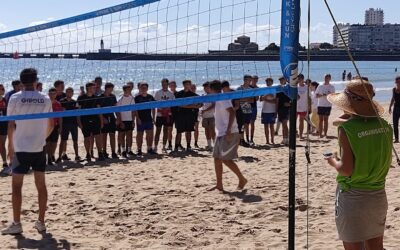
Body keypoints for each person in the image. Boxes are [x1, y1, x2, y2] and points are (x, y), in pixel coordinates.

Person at [325, 78, 391, 249]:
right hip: (378, 196)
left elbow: (346, 170)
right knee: (375, 247)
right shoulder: (385, 126)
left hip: (353, 197)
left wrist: (332, 161)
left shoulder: (347, 129)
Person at [2, 68, 53, 235]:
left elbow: (11, 124)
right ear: (36, 80)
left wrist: (10, 147)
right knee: (41, 185)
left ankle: (17, 223)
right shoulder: (45, 98)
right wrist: (41, 138)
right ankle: (41, 222)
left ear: (22, 82)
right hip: (39, 147)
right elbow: (51, 124)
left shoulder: (15, 97)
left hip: (21, 148)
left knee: (17, 186)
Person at [209, 80, 247, 192]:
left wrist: (229, 129)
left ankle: (242, 179)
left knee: (226, 159)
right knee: (217, 159)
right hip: (221, 132)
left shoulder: (223, 98)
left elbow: (232, 112)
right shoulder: (218, 98)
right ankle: (219, 185)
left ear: (211, 89)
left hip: (229, 132)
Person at [77, 82, 104, 162]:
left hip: (95, 120)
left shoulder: (96, 98)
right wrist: (79, 123)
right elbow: (78, 111)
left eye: (94, 87)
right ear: (88, 88)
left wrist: (101, 121)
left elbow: (99, 111)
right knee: (87, 138)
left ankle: (100, 153)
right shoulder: (81, 98)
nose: (94, 89)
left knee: (98, 137)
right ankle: (88, 154)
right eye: (93, 87)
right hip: (85, 121)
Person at [174, 80, 201, 151]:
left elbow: (201, 103)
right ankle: (176, 146)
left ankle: (188, 146)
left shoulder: (193, 94)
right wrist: (192, 106)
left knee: (189, 131)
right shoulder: (179, 94)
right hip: (180, 115)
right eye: (187, 84)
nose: (188, 85)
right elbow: (179, 105)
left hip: (190, 115)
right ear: (184, 85)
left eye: (189, 84)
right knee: (179, 131)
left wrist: (196, 106)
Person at [58, 87, 80, 162]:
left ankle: (77, 155)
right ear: (66, 93)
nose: (69, 93)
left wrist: (79, 124)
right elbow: (60, 115)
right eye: (68, 92)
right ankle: (60, 156)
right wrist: (60, 126)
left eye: (71, 92)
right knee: (63, 140)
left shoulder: (75, 101)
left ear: (73, 93)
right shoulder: (61, 101)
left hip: (73, 124)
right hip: (65, 124)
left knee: (75, 141)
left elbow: (77, 114)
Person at [134, 82, 156, 155]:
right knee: (140, 135)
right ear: (140, 88)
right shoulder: (137, 98)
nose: (144, 89)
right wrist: (137, 118)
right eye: (142, 88)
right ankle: (139, 149)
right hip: (141, 119)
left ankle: (149, 148)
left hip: (148, 118)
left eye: (145, 88)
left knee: (150, 134)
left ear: (147, 88)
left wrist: (153, 117)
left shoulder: (150, 97)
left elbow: (153, 108)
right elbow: (135, 109)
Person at [154, 78, 175, 152]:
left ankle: (163, 147)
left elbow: (172, 105)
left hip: (167, 115)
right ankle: (155, 147)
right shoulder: (158, 93)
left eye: (165, 84)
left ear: (167, 84)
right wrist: (161, 110)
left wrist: (166, 110)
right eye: (162, 84)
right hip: (159, 114)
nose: (164, 85)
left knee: (166, 131)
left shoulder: (171, 94)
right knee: (158, 131)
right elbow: (155, 104)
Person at [116, 84, 136, 158]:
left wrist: (133, 120)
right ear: (124, 90)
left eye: (130, 89)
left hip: (129, 119)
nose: (129, 90)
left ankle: (129, 150)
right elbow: (117, 111)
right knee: (122, 135)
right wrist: (120, 121)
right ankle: (123, 150)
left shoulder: (132, 98)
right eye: (128, 89)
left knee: (129, 135)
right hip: (123, 119)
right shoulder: (120, 98)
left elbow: (133, 110)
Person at [46, 88, 63, 166]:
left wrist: (60, 126)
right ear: (48, 94)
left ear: (56, 94)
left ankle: (50, 157)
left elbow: (60, 117)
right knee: (47, 143)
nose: (52, 95)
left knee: (54, 143)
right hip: (47, 126)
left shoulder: (58, 104)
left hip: (55, 126)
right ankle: (47, 158)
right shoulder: (45, 103)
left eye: (54, 93)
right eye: (51, 93)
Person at [100, 83, 118, 158]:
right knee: (104, 135)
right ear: (106, 88)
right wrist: (102, 119)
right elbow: (99, 110)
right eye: (110, 89)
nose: (111, 90)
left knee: (112, 135)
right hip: (104, 117)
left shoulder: (113, 96)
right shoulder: (100, 97)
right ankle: (104, 152)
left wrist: (118, 118)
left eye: (112, 89)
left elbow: (116, 107)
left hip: (111, 116)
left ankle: (113, 152)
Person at [316, 74, 335, 138]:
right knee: (320, 120)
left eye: (327, 78)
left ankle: (325, 134)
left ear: (330, 79)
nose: (326, 79)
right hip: (320, 104)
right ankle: (320, 134)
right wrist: (321, 95)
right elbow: (316, 95)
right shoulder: (320, 86)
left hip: (328, 105)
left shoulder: (331, 87)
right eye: (325, 78)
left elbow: (333, 96)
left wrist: (328, 95)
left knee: (326, 120)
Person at [237, 75, 254, 145]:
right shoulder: (239, 88)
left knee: (246, 125)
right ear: (245, 80)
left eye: (250, 80)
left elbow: (252, 100)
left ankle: (246, 139)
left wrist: (244, 99)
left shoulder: (251, 89)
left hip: (248, 109)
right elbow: (238, 99)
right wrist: (247, 99)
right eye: (249, 80)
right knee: (241, 126)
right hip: (241, 110)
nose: (250, 81)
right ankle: (241, 139)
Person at [260, 78, 276, 144]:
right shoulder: (264, 89)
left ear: (272, 82)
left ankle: (272, 140)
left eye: (269, 82)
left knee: (272, 126)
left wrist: (265, 99)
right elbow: (260, 99)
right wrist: (267, 95)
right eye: (267, 82)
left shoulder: (274, 90)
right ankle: (267, 141)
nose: (268, 83)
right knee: (266, 126)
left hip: (272, 110)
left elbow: (274, 101)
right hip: (264, 110)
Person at [201, 82, 216, 151]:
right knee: (206, 130)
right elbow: (201, 105)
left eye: (206, 87)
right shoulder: (203, 95)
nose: (205, 89)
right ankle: (209, 145)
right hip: (204, 116)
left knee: (212, 130)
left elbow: (213, 105)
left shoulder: (213, 95)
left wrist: (205, 110)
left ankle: (215, 144)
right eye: (204, 88)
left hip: (212, 115)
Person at [276, 77, 290, 145]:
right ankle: (284, 139)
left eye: (282, 80)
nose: (281, 81)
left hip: (286, 109)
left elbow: (294, 98)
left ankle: (286, 139)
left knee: (285, 124)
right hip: (280, 108)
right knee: (283, 124)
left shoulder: (288, 88)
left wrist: (290, 104)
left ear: (285, 80)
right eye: (280, 80)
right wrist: (276, 110)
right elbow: (277, 100)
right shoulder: (279, 89)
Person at [388, 76, 400, 143]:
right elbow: (393, 99)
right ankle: (396, 139)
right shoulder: (394, 89)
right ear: (395, 82)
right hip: (396, 108)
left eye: (399, 82)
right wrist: (390, 107)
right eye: (397, 82)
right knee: (395, 124)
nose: (398, 83)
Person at [297, 74, 308, 140]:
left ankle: (300, 135)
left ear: (303, 79)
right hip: (295, 107)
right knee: (293, 121)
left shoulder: (306, 87)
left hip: (303, 107)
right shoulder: (295, 87)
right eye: (298, 79)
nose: (299, 80)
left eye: (300, 79)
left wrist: (309, 107)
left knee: (301, 121)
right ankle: (294, 134)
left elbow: (309, 98)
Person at [249, 75, 260, 145]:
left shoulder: (257, 88)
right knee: (246, 123)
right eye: (254, 79)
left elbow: (257, 98)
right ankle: (244, 139)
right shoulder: (247, 87)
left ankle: (251, 139)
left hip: (253, 107)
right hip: (246, 106)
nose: (255, 80)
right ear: (251, 79)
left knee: (252, 123)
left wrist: (254, 95)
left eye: (256, 79)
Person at [0, 84, 8, 171]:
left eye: (3, 89)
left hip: (3, 124)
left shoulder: (5, 100)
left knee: (2, 144)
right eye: (1, 89)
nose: (2, 90)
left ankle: (5, 162)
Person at [190, 83, 201, 148]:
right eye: (192, 88)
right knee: (188, 129)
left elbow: (201, 104)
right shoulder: (188, 96)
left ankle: (196, 143)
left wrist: (197, 106)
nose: (193, 89)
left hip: (196, 114)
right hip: (189, 114)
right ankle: (189, 144)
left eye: (194, 88)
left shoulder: (198, 96)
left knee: (196, 129)